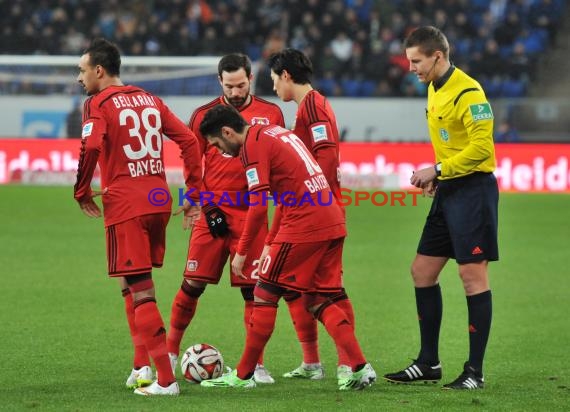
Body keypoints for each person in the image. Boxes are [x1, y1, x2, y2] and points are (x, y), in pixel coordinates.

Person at [197, 104, 376, 390]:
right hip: (330, 218)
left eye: (218, 144)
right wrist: (269, 242)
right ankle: (359, 367)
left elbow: (257, 208)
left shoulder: (251, 147)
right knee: (316, 299)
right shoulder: (274, 132)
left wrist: (242, 252)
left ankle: (243, 375)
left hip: (306, 225)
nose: (221, 151)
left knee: (264, 293)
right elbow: (286, 195)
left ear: (228, 132)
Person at [73, 38, 202, 396]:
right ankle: (140, 366)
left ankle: (165, 380)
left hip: (126, 203)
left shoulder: (96, 103)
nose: (80, 78)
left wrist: (81, 188)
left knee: (141, 289)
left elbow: (93, 145)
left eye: (82, 71)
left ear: (99, 70)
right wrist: (193, 193)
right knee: (131, 282)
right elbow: (190, 141)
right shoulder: (150, 99)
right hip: (158, 198)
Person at [383, 26, 498, 390]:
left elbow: (482, 149)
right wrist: (439, 175)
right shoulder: (434, 88)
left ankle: (474, 372)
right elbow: (452, 142)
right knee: (422, 271)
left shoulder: (469, 91)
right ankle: (428, 362)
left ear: (438, 56)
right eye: (409, 61)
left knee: (471, 276)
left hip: (474, 191)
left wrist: (437, 169)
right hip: (450, 189)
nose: (411, 68)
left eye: (416, 61)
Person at [165, 53, 284, 384]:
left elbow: (277, 159)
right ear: (220, 82)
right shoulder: (203, 116)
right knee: (191, 285)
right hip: (213, 213)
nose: (235, 91)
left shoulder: (271, 113)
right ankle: (170, 352)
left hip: (252, 213)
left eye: (241, 85)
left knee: (253, 292)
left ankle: (256, 365)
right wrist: (198, 200)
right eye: (229, 86)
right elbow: (192, 159)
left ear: (251, 79)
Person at [267, 48, 356, 382]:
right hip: (313, 210)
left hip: (318, 212)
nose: (274, 87)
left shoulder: (314, 106)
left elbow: (326, 159)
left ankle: (350, 365)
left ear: (286, 75)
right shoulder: (307, 107)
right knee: (306, 289)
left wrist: (311, 202)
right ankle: (315, 363)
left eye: (275, 80)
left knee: (325, 290)